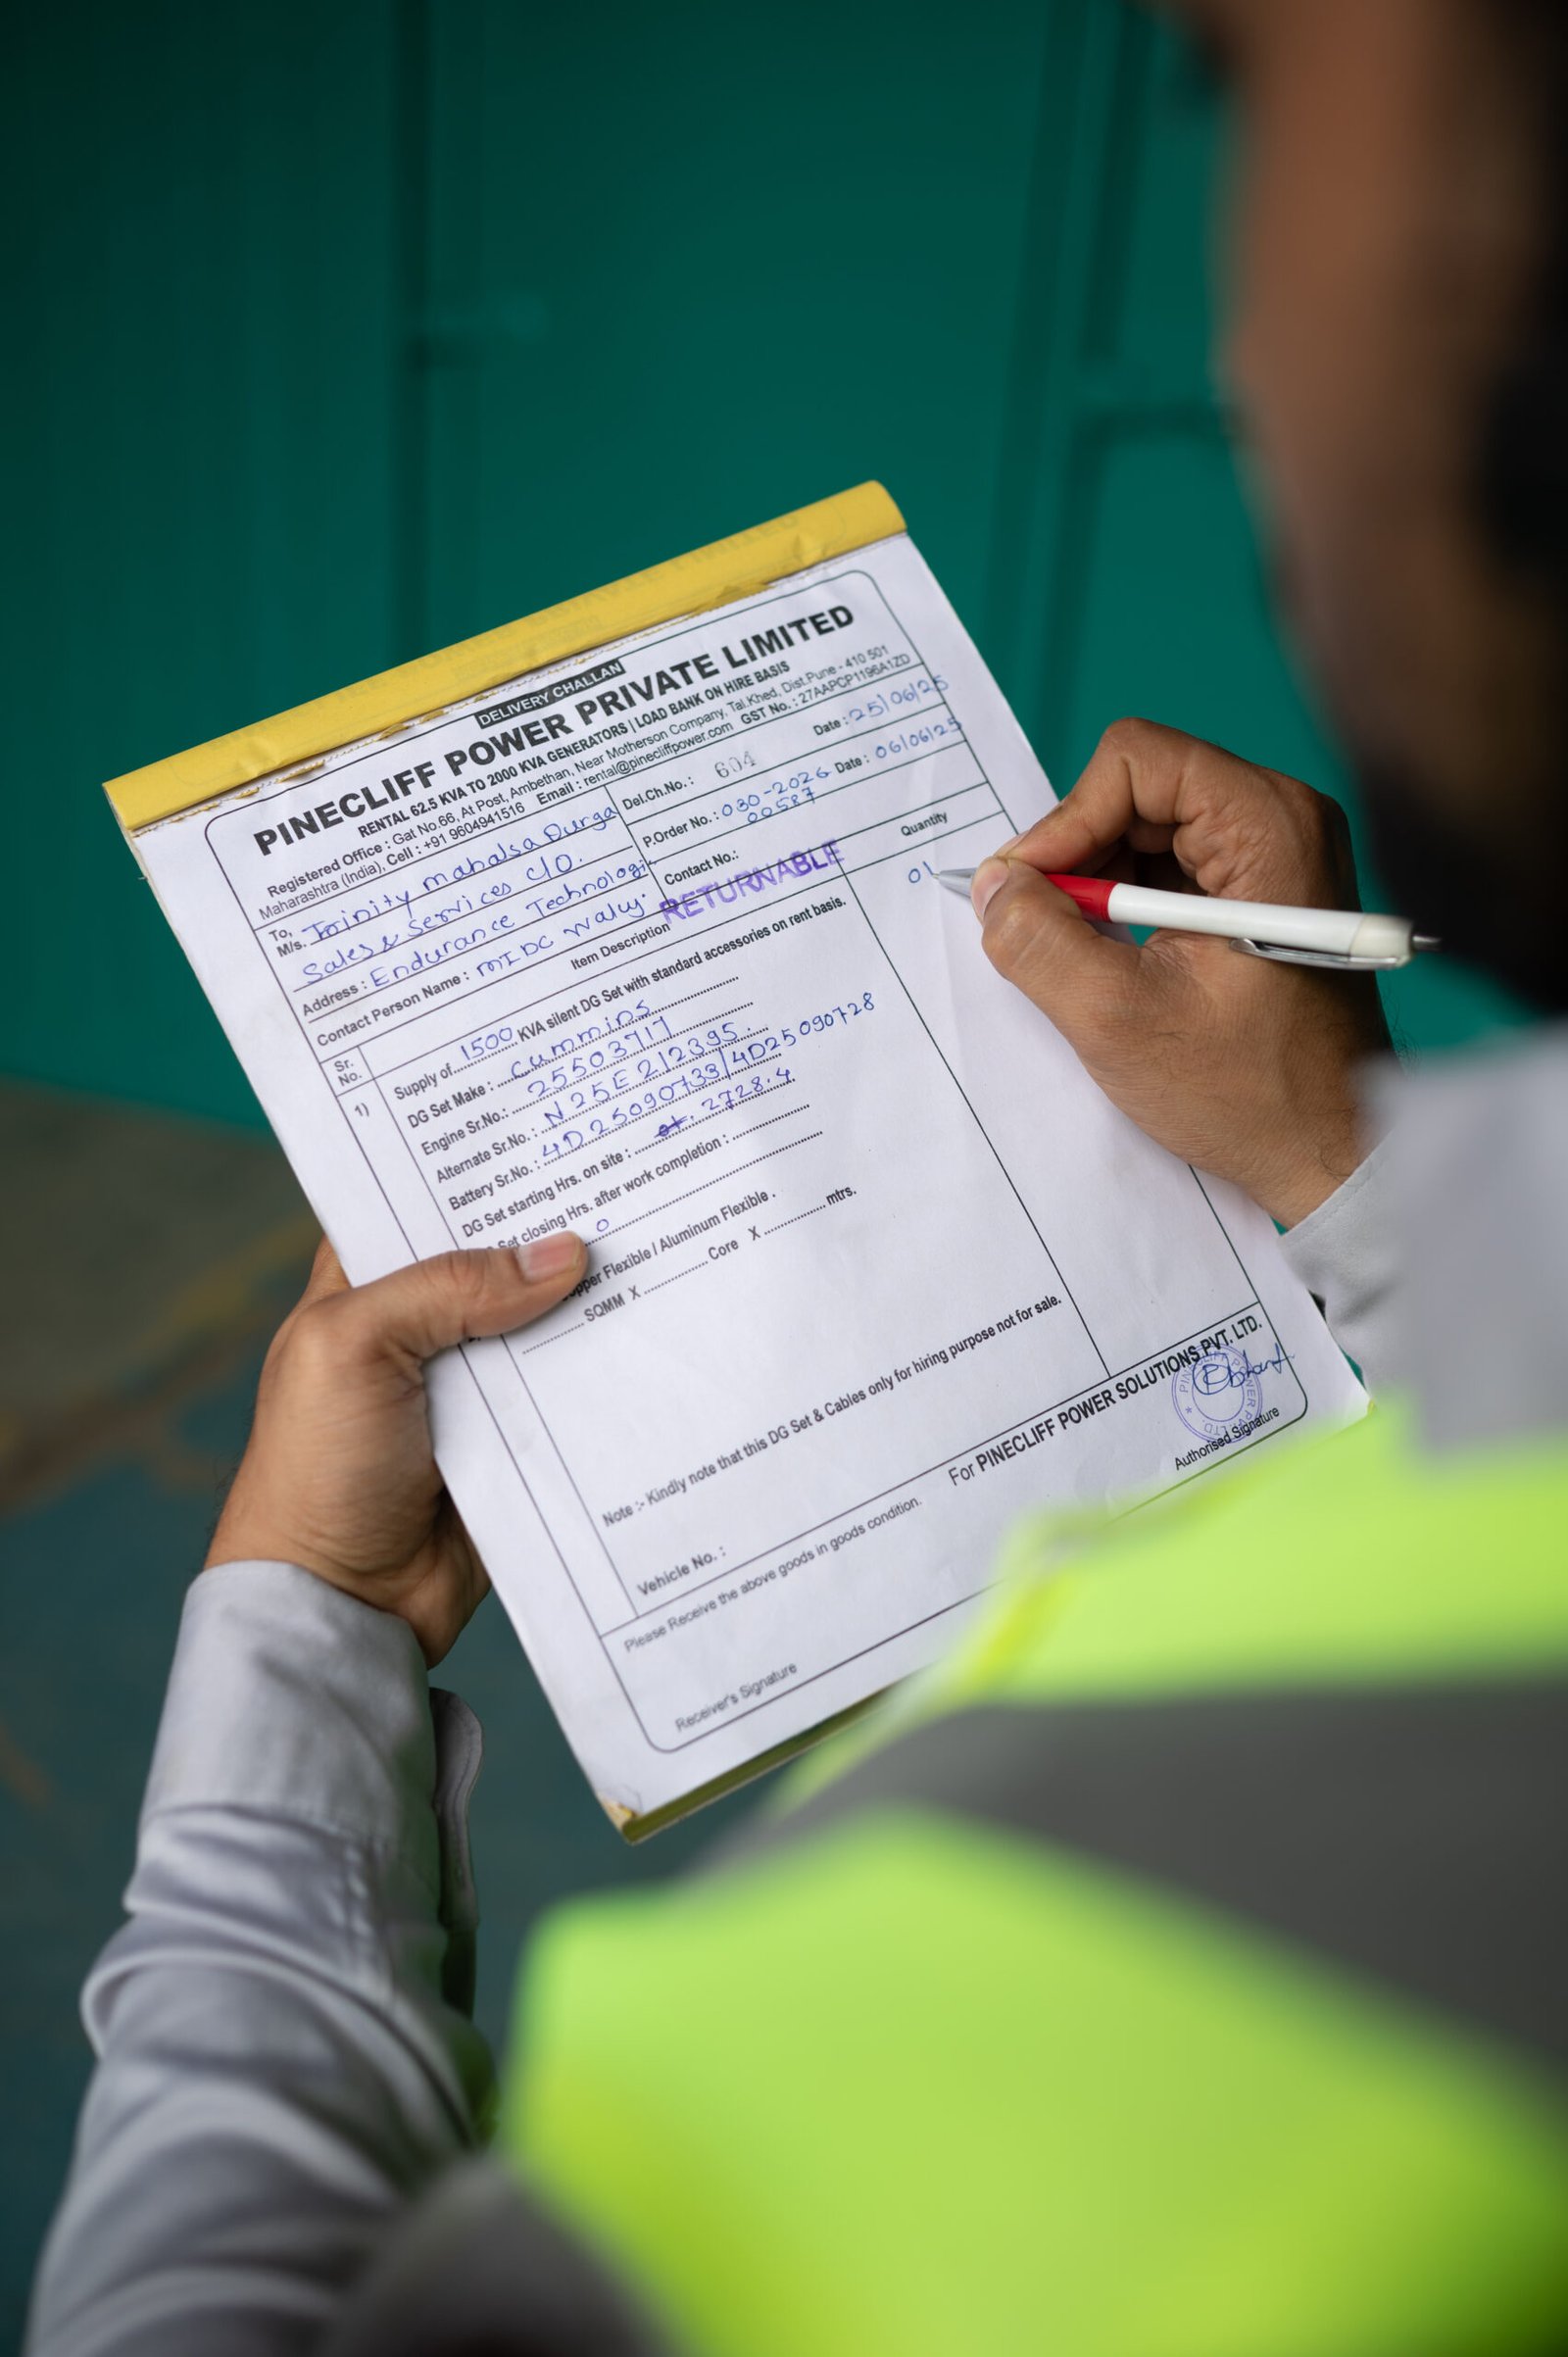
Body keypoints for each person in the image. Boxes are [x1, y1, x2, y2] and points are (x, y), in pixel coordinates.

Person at [27, 0, 1568, 2349]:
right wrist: (1345, 1170)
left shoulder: (1122, 1917)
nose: (1245, 349)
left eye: (1235, 83)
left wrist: (298, 1642)